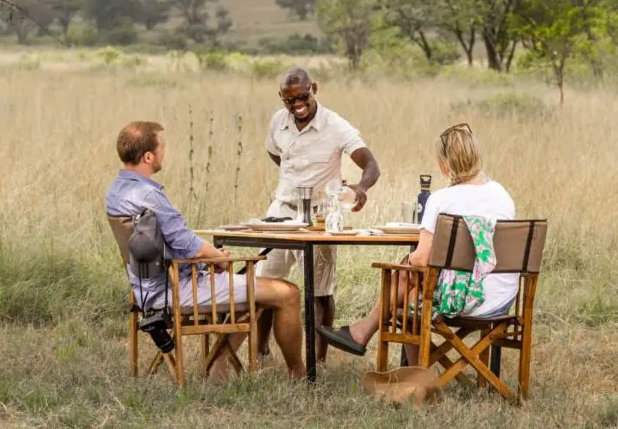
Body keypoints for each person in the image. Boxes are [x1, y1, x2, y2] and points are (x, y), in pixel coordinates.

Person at [106, 120, 306, 379]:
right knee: (287, 292)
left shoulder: (116, 191)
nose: (164, 152)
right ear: (148, 156)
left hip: (145, 290)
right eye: (161, 147)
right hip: (178, 289)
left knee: (255, 291)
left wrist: (211, 256)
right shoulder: (148, 195)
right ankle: (300, 374)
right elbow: (190, 247)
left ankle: (219, 365)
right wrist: (219, 257)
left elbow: (170, 242)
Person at [318, 123, 519, 359]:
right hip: (501, 299)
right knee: (412, 283)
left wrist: (408, 260)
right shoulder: (502, 195)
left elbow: (422, 259)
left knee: (408, 282)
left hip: (466, 300)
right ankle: (365, 334)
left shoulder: (442, 199)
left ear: (445, 165)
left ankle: (412, 372)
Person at [257, 67, 380, 363]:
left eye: (303, 96)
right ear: (281, 98)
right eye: (290, 100)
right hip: (282, 211)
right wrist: (294, 175)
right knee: (263, 285)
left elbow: (371, 164)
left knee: (320, 290)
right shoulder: (278, 121)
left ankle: (317, 358)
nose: (297, 104)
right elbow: (275, 152)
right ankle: (260, 351)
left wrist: (361, 188)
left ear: (314, 88)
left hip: (320, 216)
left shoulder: (335, 125)